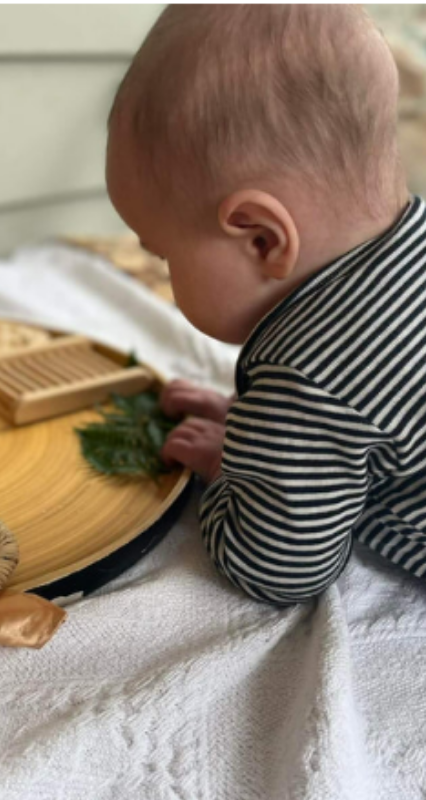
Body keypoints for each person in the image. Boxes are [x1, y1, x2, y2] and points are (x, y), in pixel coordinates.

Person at [106, 5, 426, 605]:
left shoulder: (307, 376)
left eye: (164, 255)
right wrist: (256, 426)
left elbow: (278, 568)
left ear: (262, 238)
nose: (161, 271)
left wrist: (235, 475)